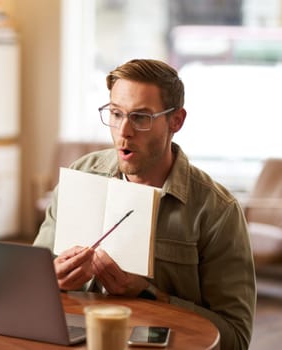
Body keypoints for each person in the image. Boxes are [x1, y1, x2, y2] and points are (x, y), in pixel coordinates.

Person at [34, 58, 256, 349]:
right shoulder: (80, 174)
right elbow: (32, 287)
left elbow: (236, 339)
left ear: (176, 121)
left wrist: (148, 294)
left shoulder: (217, 211)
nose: (124, 131)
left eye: (140, 118)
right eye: (116, 113)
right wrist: (55, 280)